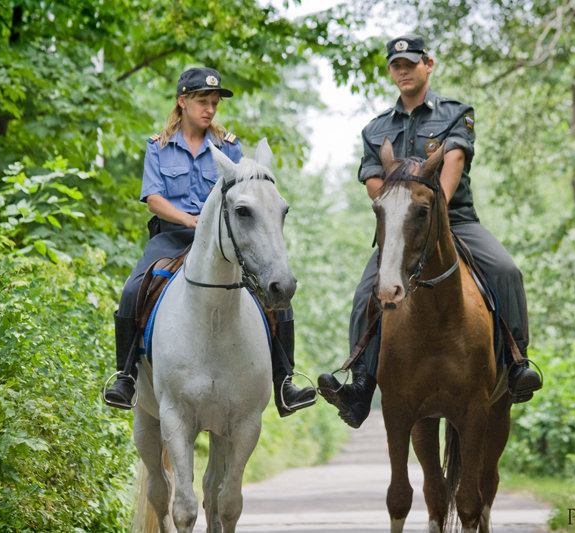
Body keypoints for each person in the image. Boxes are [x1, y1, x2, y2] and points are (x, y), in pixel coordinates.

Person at [318, 34, 542, 428]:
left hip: (454, 219)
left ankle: (517, 363)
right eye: (396, 66)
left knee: (507, 271)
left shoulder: (455, 112)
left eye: (410, 63)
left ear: (428, 65)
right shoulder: (376, 129)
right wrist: (398, 211)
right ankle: (360, 383)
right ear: (391, 72)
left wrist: (433, 209)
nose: (403, 71)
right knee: (364, 293)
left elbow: (453, 159)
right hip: (401, 227)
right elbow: (373, 180)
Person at [103, 67, 315, 416]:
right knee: (132, 288)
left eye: (214, 102)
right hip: (172, 236)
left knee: (273, 291)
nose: (210, 109)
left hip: (221, 241)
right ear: (182, 101)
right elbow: (153, 198)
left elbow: (249, 196)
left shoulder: (229, 147)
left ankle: (285, 381)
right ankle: (125, 377)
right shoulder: (158, 147)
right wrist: (188, 219)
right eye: (203, 101)